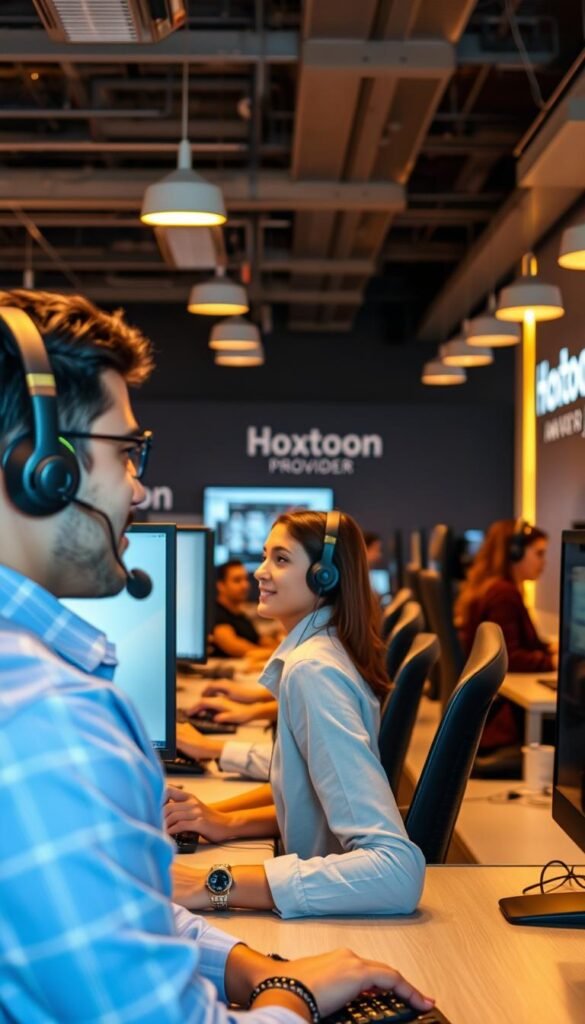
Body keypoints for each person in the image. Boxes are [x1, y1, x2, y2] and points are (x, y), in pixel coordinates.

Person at [0, 289, 434, 1022]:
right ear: (44, 467)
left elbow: (117, 922)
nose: (140, 487)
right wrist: (293, 992)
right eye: (126, 452)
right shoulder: (49, 718)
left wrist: (244, 962)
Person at [166, 510, 426, 919]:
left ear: (325, 576)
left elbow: (396, 872)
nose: (260, 572)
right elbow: (310, 799)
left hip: (333, 915)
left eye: (281, 559)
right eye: (265, 557)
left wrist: (211, 883)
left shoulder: (313, 670)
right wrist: (227, 823)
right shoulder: (321, 654)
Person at [455, 518, 556, 749]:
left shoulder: (494, 588)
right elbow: (511, 656)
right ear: (515, 553)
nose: (544, 562)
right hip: (498, 722)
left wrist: (549, 648)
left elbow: (517, 641)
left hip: (481, 711)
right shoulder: (503, 594)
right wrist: (552, 661)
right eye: (539, 553)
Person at [211, 559, 277, 659]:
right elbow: (232, 646)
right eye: (237, 580)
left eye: (246, 579)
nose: (245, 585)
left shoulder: (240, 615)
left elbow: (260, 640)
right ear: (221, 585)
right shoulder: (215, 613)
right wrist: (271, 653)